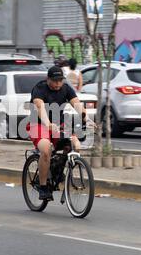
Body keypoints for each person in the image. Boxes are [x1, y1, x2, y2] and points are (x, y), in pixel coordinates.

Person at [28, 66, 93, 201]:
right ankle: (43, 186)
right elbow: (40, 108)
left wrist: (87, 119)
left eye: (60, 80)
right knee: (46, 149)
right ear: (48, 79)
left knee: (73, 144)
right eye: (55, 81)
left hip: (59, 124)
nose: (58, 84)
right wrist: (48, 124)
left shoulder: (66, 88)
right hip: (39, 124)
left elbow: (77, 104)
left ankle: (57, 171)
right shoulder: (39, 88)